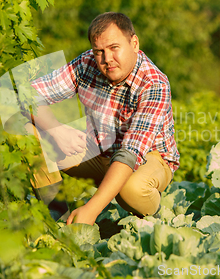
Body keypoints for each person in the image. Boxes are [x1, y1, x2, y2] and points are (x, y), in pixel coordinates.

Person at [25, 12, 180, 225]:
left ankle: (155, 218)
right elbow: (27, 94)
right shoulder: (87, 63)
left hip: (147, 158)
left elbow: (130, 153)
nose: (107, 59)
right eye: (99, 51)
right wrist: (56, 130)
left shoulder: (154, 84)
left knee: (131, 190)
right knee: (27, 131)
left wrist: (92, 209)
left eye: (114, 48)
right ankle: (56, 218)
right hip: (99, 149)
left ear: (134, 43)